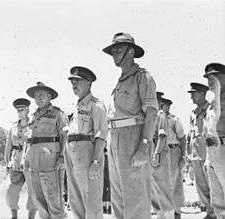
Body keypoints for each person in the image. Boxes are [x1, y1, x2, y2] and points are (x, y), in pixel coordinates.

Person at [103, 32, 158, 219]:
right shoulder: (120, 80)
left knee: (135, 196)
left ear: (131, 52)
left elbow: (151, 112)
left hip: (133, 136)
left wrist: (144, 144)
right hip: (115, 138)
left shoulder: (142, 77)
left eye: (118, 50)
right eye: (113, 52)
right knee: (118, 196)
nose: (114, 55)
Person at [65, 66, 108, 219]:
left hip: (87, 152)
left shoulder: (96, 105)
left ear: (89, 83)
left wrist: (95, 161)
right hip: (71, 152)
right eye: (72, 82)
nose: (74, 85)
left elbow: (101, 135)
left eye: (78, 81)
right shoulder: (76, 106)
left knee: (91, 199)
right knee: (75, 198)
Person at [26, 82, 68, 219]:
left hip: (51, 162)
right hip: (34, 162)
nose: (38, 98)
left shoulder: (58, 114)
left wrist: (62, 157)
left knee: (54, 201)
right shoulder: (33, 117)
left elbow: (65, 137)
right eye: (36, 96)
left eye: (41, 95)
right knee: (39, 200)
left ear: (49, 96)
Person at [187, 82, 216, 219]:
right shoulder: (193, 112)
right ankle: (210, 211)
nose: (191, 96)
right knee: (201, 185)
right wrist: (188, 153)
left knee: (213, 183)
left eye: (194, 93)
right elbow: (191, 134)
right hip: (196, 154)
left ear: (203, 94)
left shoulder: (211, 109)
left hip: (208, 152)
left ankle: (218, 211)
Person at [4, 98, 37, 219]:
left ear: (27, 110)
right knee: (12, 192)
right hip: (16, 163)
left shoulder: (34, 125)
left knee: (33, 193)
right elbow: (8, 146)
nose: (20, 112)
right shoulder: (13, 127)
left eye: (22, 109)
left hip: (30, 164)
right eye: (18, 110)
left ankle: (31, 217)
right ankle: (14, 216)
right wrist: (7, 162)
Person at [203, 63, 225, 219]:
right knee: (217, 199)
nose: (210, 81)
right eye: (208, 78)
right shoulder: (212, 103)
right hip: (212, 152)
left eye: (214, 77)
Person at [161, 97, 186, 219]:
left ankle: (176, 210)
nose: (161, 107)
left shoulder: (174, 120)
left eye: (163, 105)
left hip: (172, 151)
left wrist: (183, 157)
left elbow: (182, 139)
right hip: (161, 152)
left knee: (174, 181)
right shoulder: (155, 119)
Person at [151, 92, 175, 219]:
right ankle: (160, 214)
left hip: (159, 152)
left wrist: (156, 154)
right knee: (154, 187)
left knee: (163, 186)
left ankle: (169, 215)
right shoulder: (151, 115)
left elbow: (162, 136)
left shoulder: (160, 115)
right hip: (153, 150)